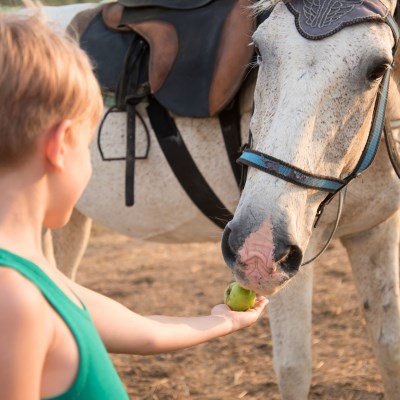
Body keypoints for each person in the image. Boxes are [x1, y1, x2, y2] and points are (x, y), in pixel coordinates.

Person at [0, 8, 268, 400]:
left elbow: (143, 332)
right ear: (60, 146)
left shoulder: (34, 273)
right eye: (86, 147)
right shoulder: (15, 300)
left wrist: (221, 322)